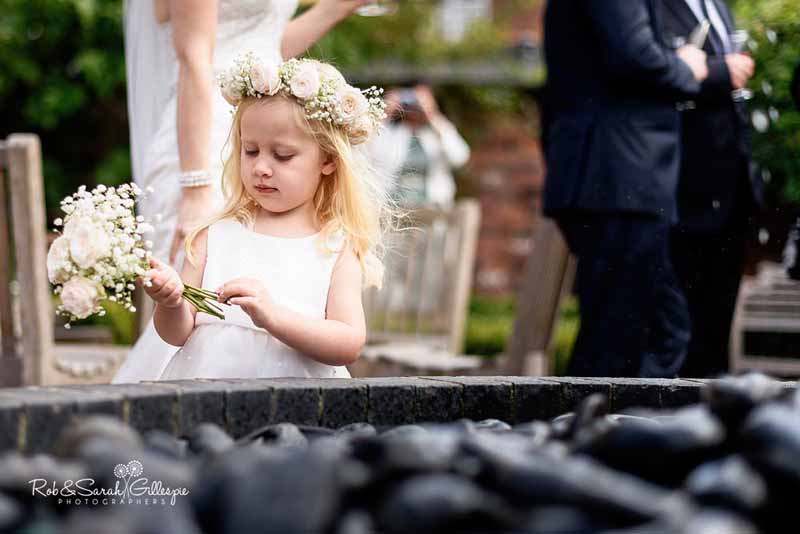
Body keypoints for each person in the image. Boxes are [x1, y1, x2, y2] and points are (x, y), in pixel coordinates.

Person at [115, 0, 370, 383]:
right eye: (249, 152)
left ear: (328, 161)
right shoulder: (212, 234)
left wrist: (273, 317)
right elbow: (177, 334)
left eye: (282, 156)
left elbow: (349, 342)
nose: (261, 167)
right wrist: (169, 303)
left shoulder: (334, 246)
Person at [543, 0, 709, 377]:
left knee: (644, 328)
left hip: (612, 175)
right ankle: (599, 429)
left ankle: (594, 426)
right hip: (617, 174)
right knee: (627, 336)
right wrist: (685, 66)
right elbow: (634, 54)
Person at [661, 0, 760, 378]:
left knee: (716, 324)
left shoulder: (717, 3)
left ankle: (715, 418)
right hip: (685, 183)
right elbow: (657, 70)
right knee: (684, 322)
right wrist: (721, 72)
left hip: (732, 182)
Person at [368, 85, 470, 208]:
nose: (413, 106)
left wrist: (433, 115)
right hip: (394, 207)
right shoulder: (389, 134)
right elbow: (365, 150)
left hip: (433, 207)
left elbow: (460, 157)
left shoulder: (436, 133)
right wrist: (384, 112)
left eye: (417, 102)